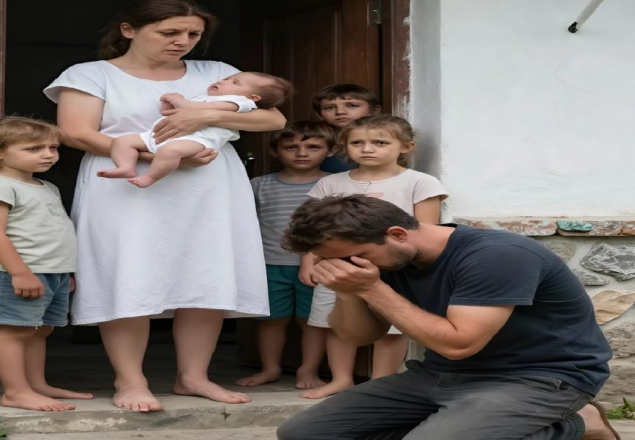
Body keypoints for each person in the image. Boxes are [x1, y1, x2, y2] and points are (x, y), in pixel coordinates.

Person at [43, 0, 285, 412]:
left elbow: (272, 119)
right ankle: (130, 381)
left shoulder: (217, 72)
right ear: (129, 30)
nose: (182, 41)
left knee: (205, 274)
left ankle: (194, 377)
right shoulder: (90, 74)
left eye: (193, 34)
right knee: (128, 273)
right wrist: (156, 156)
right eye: (170, 32)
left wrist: (199, 119)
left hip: (208, 188)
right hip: (124, 185)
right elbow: (76, 133)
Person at [277, 195, 618, 440]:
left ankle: (579, 423)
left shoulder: (497, 256)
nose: (350, 266)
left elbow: (459, 344)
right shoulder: (385, 259)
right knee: (302, 433)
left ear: (397, 234)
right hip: (439, 375)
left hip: (539, 378)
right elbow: (360, 337)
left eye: (354, 257)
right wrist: (349, 291)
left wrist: (372, 288)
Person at [300, 115, 447, 399]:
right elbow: (314, 227)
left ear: (406, 146)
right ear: (345, 146)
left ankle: (382, 383)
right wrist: (308, 260)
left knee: (393, 327)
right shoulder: (330, 183)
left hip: (394, 268)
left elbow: (424, 230)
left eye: (380, 142)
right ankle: (341, 379)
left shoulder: (420, 182)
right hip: (336, 266)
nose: (367, 149)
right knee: (336, 322)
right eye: (357, 142)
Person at [0, 116, 94, 412]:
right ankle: (15, 392)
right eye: (34, 148)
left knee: (39, 330)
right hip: (11, 273)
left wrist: (63, 270)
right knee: (15, 331)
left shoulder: (46, 186)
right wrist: (20, 273)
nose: (48, 154)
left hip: (48, 273)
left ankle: (36, 385)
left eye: (53, 147)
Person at [235, 121, 335, 391]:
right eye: (291, 147)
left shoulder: (333, 184)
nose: (301, 153)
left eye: (313, 147)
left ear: (330, 150)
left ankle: (308, 369)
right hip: (269, 264)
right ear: (275, 151)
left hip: (319, 266)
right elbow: (245, 224)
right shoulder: (259, 185)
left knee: (312, 321)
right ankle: (270, 369)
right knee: (271, 321)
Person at [98, 72, 293, 187]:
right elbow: (172, 114)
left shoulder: (238, 103)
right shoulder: (207, 99)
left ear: (253, 98)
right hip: (161, 135)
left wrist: (178, 99)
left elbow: (194, 109)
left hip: (196, 141)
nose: (223, 81)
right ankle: (126, 166)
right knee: (123, 141)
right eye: (227, 78)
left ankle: (150, 177)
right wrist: (168, 105)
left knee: (170, 152)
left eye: (235, 83)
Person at [311, 83, 381, 174]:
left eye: (352, 105)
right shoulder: (314, 142)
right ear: (319, 114)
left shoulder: (384, 140)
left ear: (374, 110)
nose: (340, 112)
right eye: (329, 107)